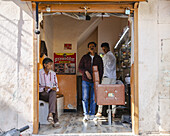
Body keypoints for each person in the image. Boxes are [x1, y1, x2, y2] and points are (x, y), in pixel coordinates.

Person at [78, 42, 103, 121]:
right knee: (85, 97)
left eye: (93, 46)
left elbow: (101, 70)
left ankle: (92, 113)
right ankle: (86, 114)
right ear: (88, 48)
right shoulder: (84, 57)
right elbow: (80, 68)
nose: (91, 48)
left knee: (93, 98)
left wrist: (99, 80)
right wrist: (85, 72)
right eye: (90, 47)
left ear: (95, 48)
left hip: (95, 81)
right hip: (85, 80)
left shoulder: (99, 58)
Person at [96, 42, 117, 119]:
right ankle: (113, 112)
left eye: (104, 49)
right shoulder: (113, 56)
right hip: (113, 77)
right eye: (103, 49)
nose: (104, 50)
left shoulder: (106, 56)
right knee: (113, 94)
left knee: (102, 93)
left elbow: (103, 67)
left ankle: (99, 111)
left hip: (107, 77)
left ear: (108, 48)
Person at [39, 58, 60, 127]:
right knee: (53, 99)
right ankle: (55, 120)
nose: (51, 66)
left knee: (53, 94)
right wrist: (44, 88)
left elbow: (56, 85)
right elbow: (36, 86)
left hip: (51, 93)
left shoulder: (53, 73)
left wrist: (54, 88)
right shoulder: (39, 73)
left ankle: (50, 114)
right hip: (42, 93)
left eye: (51, 64)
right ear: (45, 65)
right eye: (49, 64)